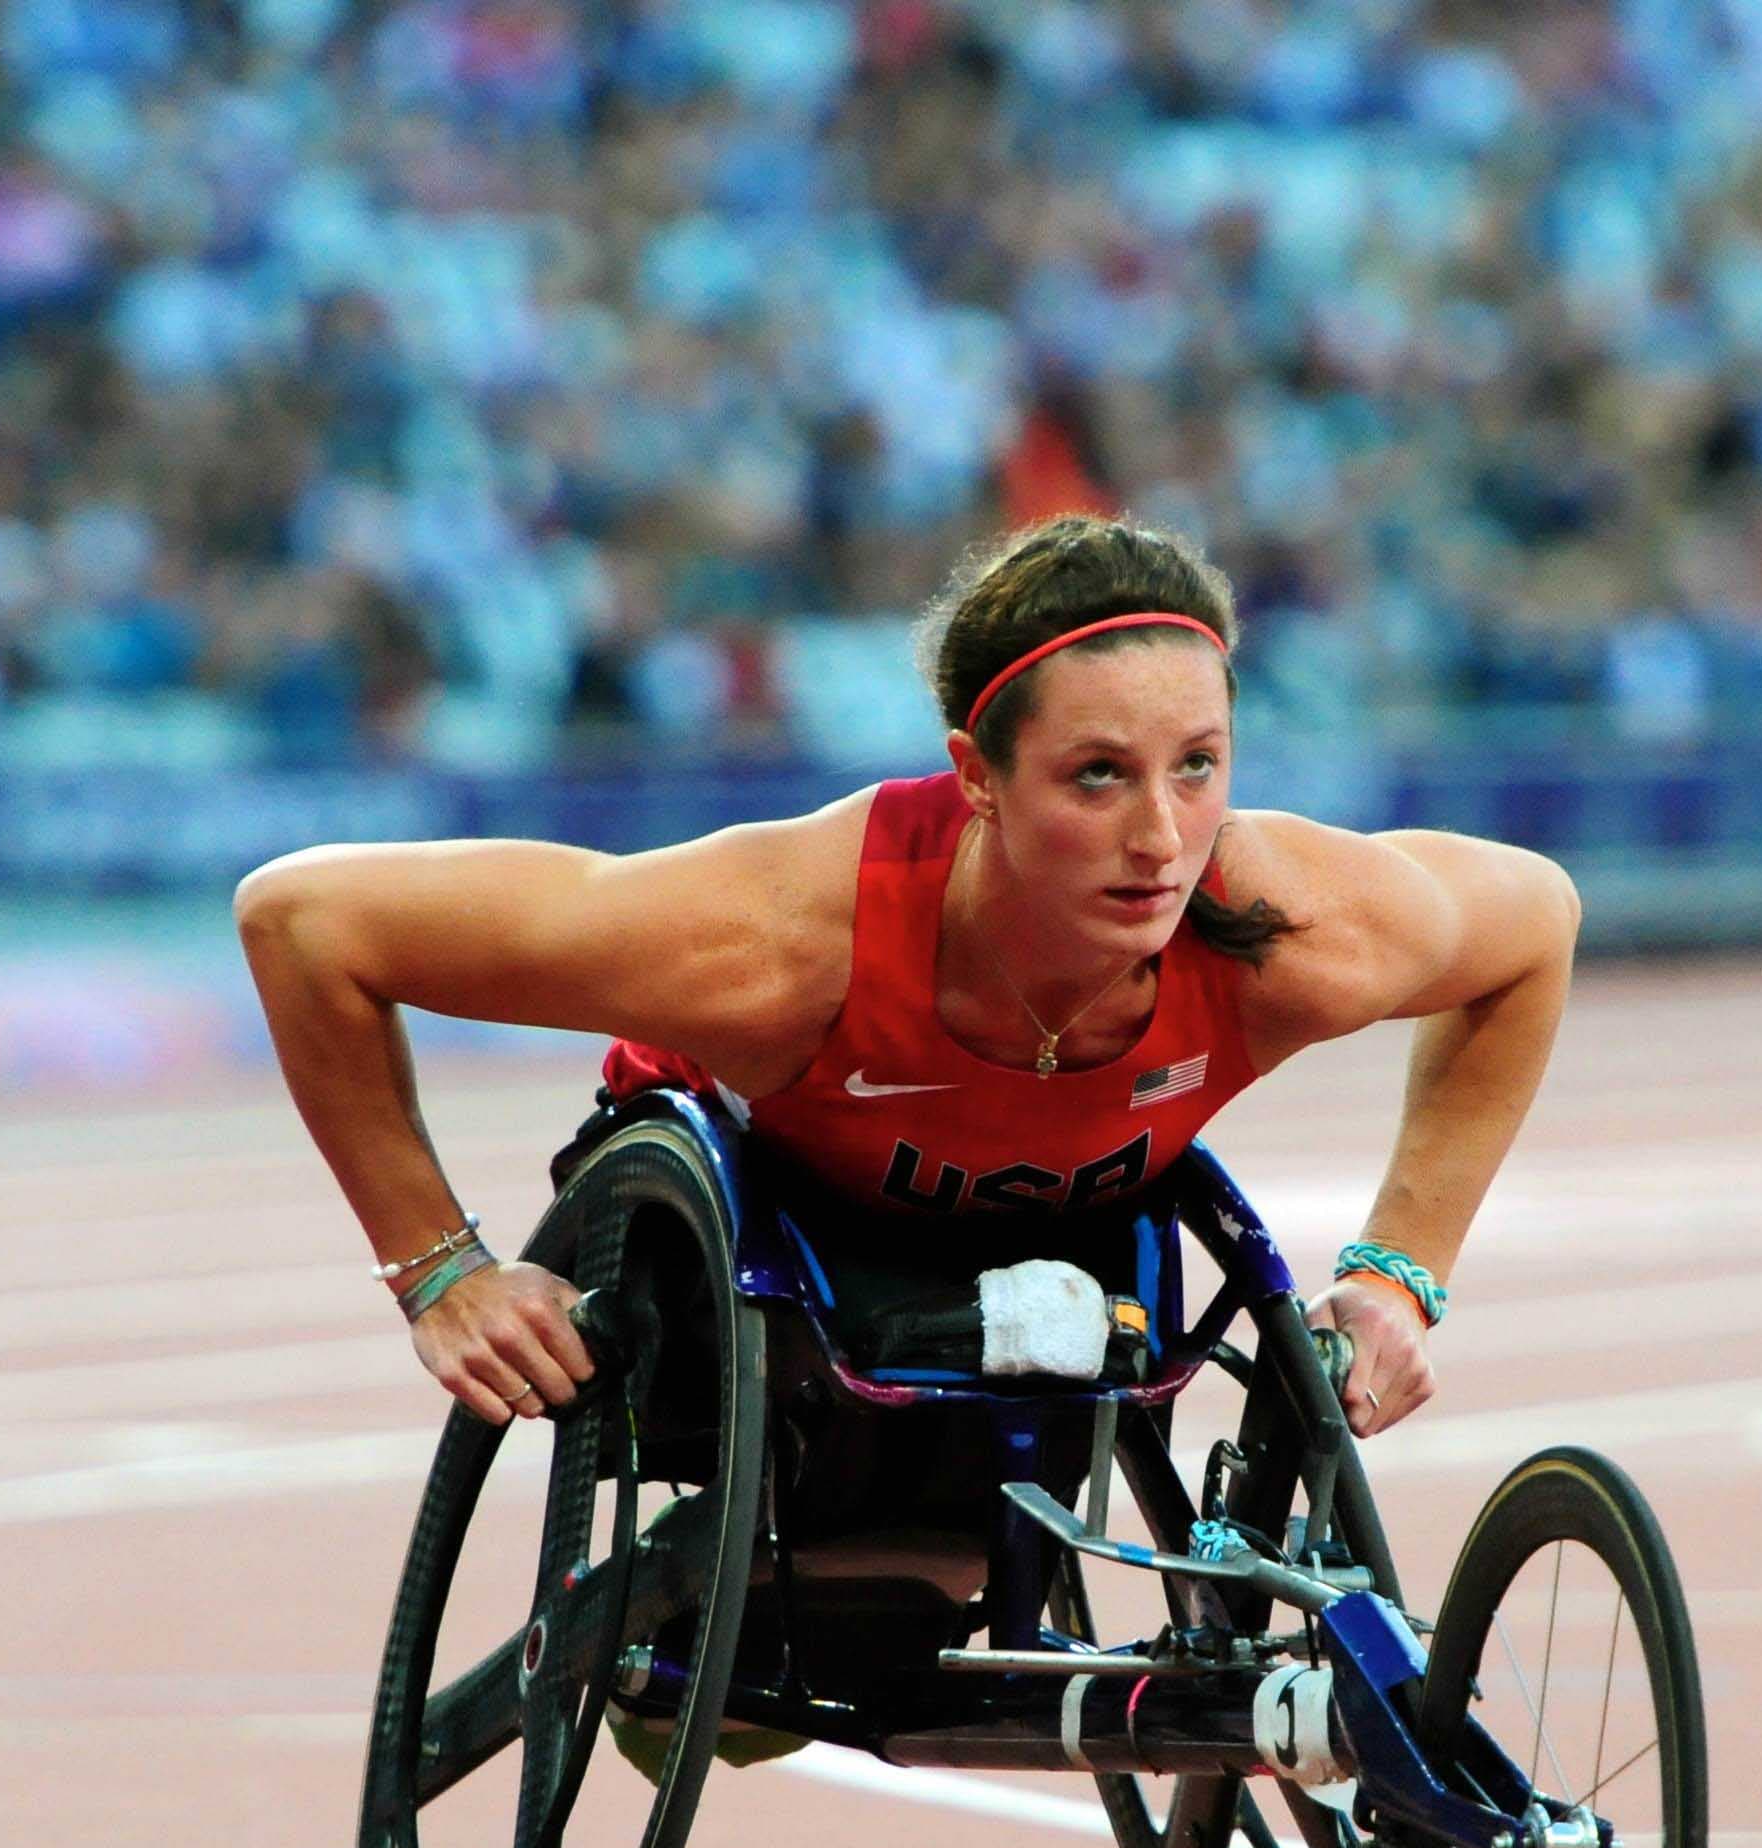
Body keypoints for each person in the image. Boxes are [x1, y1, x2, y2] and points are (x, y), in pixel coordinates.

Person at [235, 513, 1579, 1442]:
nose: (1163, 837)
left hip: (1063, 1244)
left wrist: (1403, 1272)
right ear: (977, 775)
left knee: (935, 1576)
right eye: (1098, 776)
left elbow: (1533, 929)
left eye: (1199, 767)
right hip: (772, 1229)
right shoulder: (775, 942)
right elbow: (303, 922)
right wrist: (438, 1269)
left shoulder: (1291, 925)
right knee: (834, 1597)